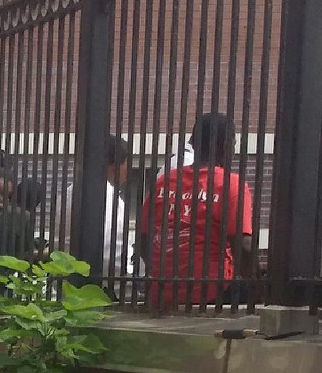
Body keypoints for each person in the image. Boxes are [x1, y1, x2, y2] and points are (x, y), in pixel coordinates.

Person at [143, 111, 254, 310]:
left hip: (163, 291)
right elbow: (243, 246)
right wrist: (258, 286)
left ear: (193, 143)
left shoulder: (164, 182)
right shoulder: (231, 185)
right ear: (226, 145)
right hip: (213, 290)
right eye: (234, 144)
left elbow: (143, 240)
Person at [63, 134, 134, 274]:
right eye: (127, 164)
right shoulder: (107, 198)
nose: (128, 172)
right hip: (102, 280)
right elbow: (106, 251)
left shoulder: (70, 193)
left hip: (67, 275)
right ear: (115, 166)